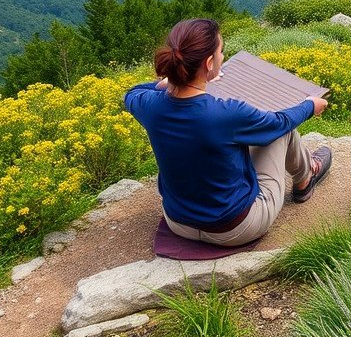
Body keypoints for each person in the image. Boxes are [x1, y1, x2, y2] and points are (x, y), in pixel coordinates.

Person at [124, 18, 331, 246]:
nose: (224, 57)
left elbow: (131, 93)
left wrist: (170, 82)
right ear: (209, 62)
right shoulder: (226, 113)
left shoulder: (150, 106)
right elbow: (280, 122)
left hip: (179, 223)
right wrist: (311, 105)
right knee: (282, 130)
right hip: (235, 228)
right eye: (221, 52)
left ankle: (304, 176)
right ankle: (304, 180)